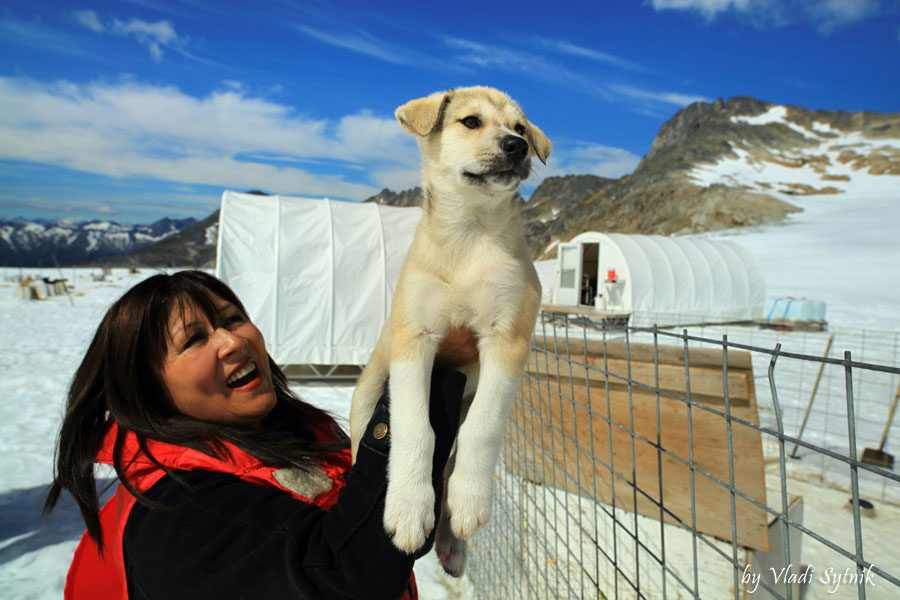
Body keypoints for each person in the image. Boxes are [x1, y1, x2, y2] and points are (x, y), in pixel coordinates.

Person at [44, 270, 474, 600]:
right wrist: (425, 374)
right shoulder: (178, 516)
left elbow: (381, 531)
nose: (232, 341)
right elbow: (343, 579)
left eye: (233, 319)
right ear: (148, 390)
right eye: (194, 339)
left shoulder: (287, 438)